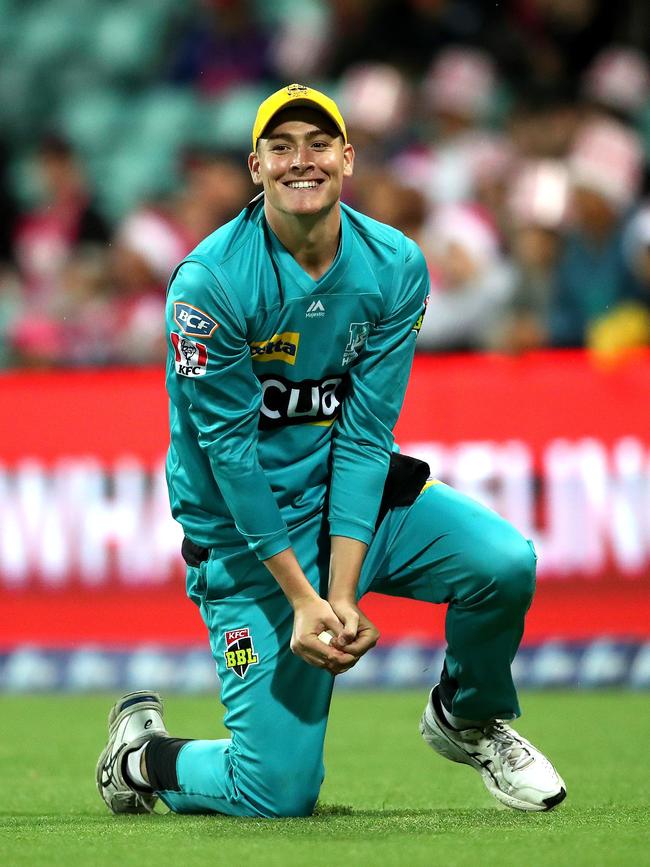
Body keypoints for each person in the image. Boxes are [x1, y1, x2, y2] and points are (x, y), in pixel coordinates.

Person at [97, 84, 566, 818]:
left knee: (502, 565)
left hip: (356, 504)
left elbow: (364, 433)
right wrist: (304, 597)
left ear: (348, 157)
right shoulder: (209, 284)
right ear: (256, 167)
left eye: (318, 143)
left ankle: (468, 716)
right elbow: (230, 454)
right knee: (276, 791)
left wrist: (342, 595)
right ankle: (140, 757)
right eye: (280, 147)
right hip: (249, 536)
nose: (301, 160)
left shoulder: (394, 264)